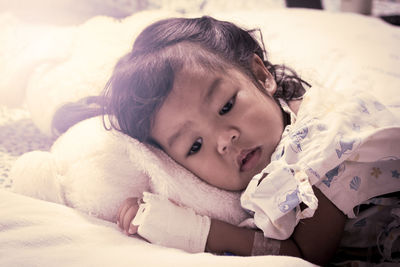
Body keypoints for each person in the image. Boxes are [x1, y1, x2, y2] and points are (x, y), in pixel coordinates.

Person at [83, 16, 399, 265]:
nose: (224, 140)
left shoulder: (322, 146)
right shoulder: (274, 165)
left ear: (262, 76)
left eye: (226, 106)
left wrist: (191, 229)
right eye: (194, 146)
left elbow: (305, 257)